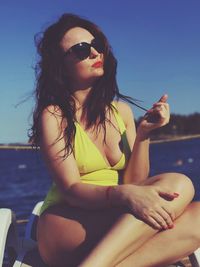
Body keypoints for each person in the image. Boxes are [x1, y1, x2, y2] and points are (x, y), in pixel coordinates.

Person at [29, 13, 200, 267]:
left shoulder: (121, 112)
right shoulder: (54, 115)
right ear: (60, 65)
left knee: (195, 210)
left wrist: (143, 135)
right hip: (67, 221)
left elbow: (136, 182)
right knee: (180, 184)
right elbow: (72, 190)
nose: (95, 53)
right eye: (81, 49)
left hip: (116, 216)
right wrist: (125, 195)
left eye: (97, 45)